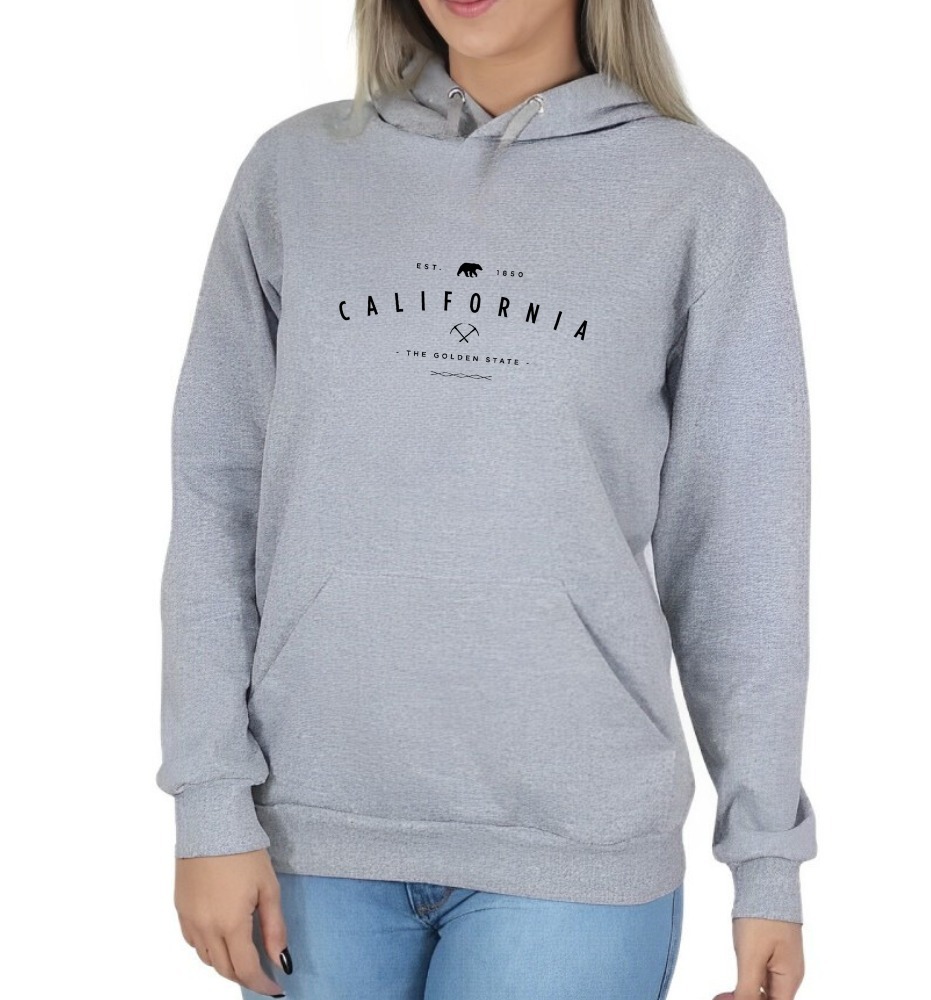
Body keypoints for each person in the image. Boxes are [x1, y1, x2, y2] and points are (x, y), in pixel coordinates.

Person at [155, 0, 818, 997]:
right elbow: (216, 496)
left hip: (576, 852)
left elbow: (740, 552)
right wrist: (209, 801)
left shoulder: (702, 198)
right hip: (310, 836)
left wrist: (765, 859)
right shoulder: (296, 175)